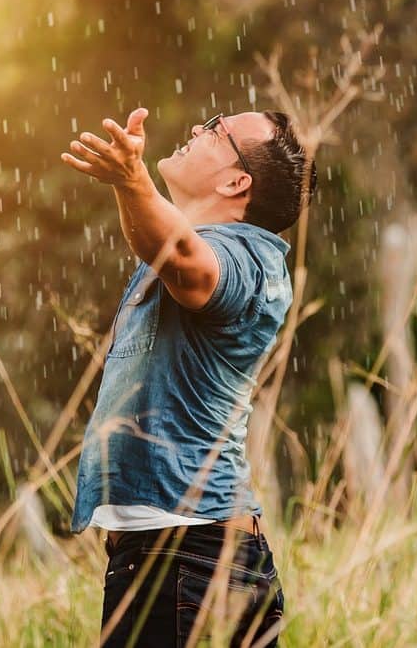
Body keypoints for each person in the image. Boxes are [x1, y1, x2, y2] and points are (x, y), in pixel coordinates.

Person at [59, 106, 317, 647]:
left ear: (236, 180)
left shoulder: (245, 258)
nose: (198, 128)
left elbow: (186, 263)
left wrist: (133, 179)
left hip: (187, 556)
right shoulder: (216, 246)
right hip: (184, 554)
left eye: (217, 130)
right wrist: (128, 186)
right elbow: (164, 246)